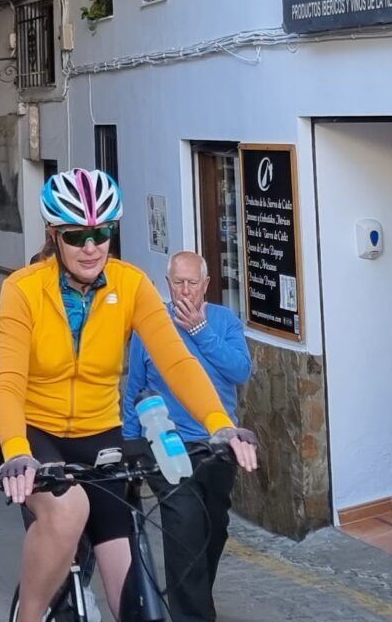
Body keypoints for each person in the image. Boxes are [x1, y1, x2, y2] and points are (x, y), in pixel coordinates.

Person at [0, 168, 260, 622]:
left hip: (101, 434)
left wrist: (221, 424)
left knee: (132, 593)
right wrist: (17, 452)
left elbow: (177, 362)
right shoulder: (22, 290)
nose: (91, 246)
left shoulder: (131, 284)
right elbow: (8, 380)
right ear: (55, 236)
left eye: (103, 233)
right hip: (33, 434)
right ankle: (29, 616)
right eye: (77, 235)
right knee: (68, 510)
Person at [119, 252, 253, 622]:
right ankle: (192, 615)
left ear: (206, 284)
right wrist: (130, 444)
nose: (185, 290)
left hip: (216, 445)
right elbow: (135, 388)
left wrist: (200, 331)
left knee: (214, 526)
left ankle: (194, 597)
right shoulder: (152, 326)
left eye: (192, 282)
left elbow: (240, 370)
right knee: (185, 526)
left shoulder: (224, 321)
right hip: (165, 445)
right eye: (178, 282)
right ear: (167, 284)